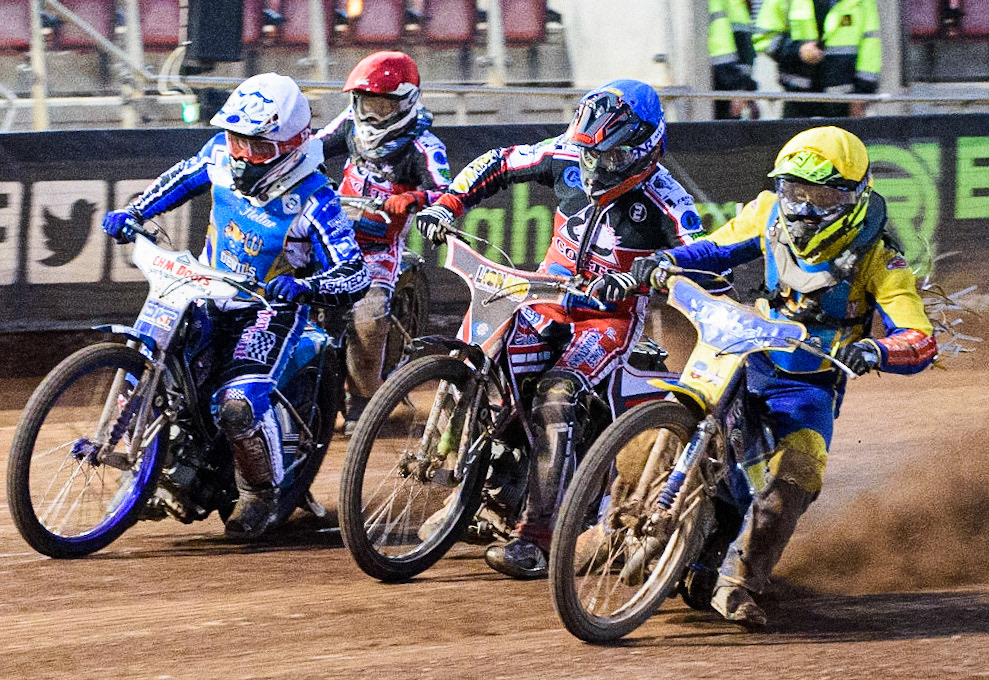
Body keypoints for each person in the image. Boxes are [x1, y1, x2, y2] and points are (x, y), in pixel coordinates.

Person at [591, 126, 938, 625]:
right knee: (670, 407)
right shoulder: (767, 213)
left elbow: (919, 337)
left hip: (809, 379)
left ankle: (739, 582)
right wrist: (662, 260)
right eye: (795, 193)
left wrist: (877, 350)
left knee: (797, 474)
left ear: (854, 196)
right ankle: (613, 522)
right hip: (747, 347)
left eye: (820, 196)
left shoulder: (881, 255)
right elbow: (713, 249)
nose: (803, 209)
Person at [413, 79, 704, 579]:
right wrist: (449, 203)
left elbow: (702, 256)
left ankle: (537, 537)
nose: (594, 169)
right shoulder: (569, 154)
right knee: (486, 363)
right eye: (589, 156)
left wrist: (657, 271)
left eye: (609, 160)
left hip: (609, 319)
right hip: (543, 297)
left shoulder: (669, 199)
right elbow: (499, 161)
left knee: (555, 395)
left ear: (645, 150)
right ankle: (476, 492)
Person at [101, 73, 371, 541]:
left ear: (292, 144)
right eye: (236, 141)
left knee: (236, 405)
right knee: (149, 363)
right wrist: (136, 212)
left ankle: (260, 495)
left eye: (259, 148)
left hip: (271, 309)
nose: (244, 157)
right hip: (205, 290)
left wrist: (304, 286)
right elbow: (178, 180)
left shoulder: (315, 197)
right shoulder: (218, 156)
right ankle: (142, 468)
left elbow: (355, 273)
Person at [313, 51, 451, 435]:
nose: (373, 114)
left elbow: (444, 191)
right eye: (367, 103)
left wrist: (414, 199)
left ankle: (364, 397)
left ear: (405, 102)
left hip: (379, 243)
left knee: (368, 313)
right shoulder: (348, 125)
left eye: (383, 105)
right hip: (332, 230)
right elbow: (311, 148)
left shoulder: (424, 145)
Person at [754, 0, 881, 119]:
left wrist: (862, 94)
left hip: (843, 102)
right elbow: (764, 38)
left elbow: (870, 48)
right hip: (798, 99)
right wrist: (797, 51)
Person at [709, 0, 759, 120]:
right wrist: (740, 87)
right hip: (720, 85)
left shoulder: (735, 4)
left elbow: (743, 48)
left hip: (724, 84)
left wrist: (741, 88)